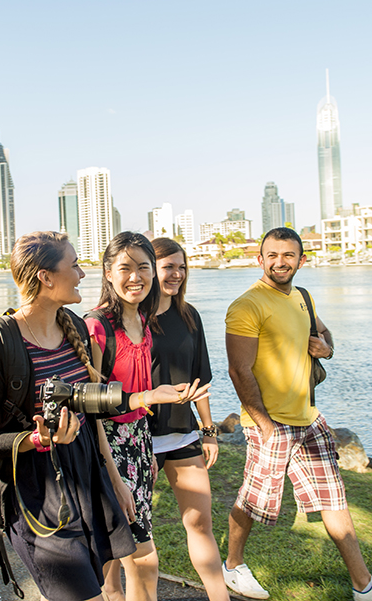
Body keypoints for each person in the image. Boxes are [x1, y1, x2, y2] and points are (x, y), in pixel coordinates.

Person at [0, 231, 194, 601]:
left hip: (89, 478)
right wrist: (34, 440)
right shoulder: (0, 342)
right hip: (38, 491)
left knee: (99, 585)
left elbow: (91, 412)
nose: (82, 274)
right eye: (74, 265)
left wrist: (115, 480)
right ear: (46, 277)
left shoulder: (70, 324)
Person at [223, 227, 372, 601]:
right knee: (254, 500)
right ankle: (232, 567)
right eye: (273, 255)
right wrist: (264, 425)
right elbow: (238, 370)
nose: (280, 262)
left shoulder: (302, 297)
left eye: (289, 255)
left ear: (301, 260)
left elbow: (325, 336)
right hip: (270, 423)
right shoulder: (247, 305)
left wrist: (326, 349)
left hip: (308, 418)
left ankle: (364, 586)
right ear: (260, 258)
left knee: (333, 498)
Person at [86, 232, 209, 601]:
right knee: (142, 559)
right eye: (125, 268)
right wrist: (114, 473)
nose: (135, 277)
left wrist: (146, 452)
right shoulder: (97, 326)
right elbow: (90, 405)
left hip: (139, 444)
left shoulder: (142, 321)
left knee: (118, 554)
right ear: (108, 273)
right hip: (108, 449)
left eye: (143, 267)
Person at [147, 238, 229, 601]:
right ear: (149, 270)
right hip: (140, 438)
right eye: (168, 266)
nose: (176, 274)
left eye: (181, 267)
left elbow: (202, 381)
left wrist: (209, 431)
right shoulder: (132, 317)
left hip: (182, 435)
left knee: (199, 521)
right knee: (132, 530)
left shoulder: (189, 315)